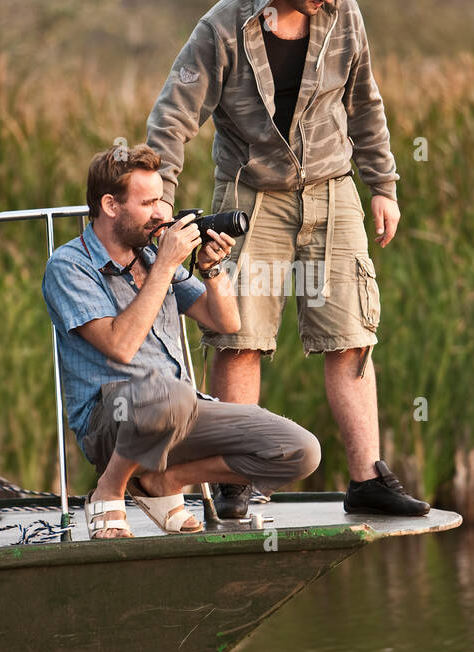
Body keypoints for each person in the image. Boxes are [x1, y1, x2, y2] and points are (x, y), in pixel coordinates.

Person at [146, 0, 430, 520]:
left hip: (333, 190)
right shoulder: (223, 25)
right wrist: (161, 198)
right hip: (250, 198)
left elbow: (365, 104)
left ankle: (368, 481)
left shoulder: (345, 17)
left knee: (352, 337)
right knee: (239, 337)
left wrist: (384, 185)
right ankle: (233, 483)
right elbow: (173, 114)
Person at [42, 144, 321, 538]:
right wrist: (168, 264)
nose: (163, 213)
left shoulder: (153, 257)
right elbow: (120, 346)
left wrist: (210, 269)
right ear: (109, 205)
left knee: (299, 450)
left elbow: (225, 320)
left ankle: (164, 481)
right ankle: (110, 490)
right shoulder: (69, 266)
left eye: (162, 200)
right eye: (149, 202)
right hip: (112, 421)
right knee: (170, 395)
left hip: (178, 409)